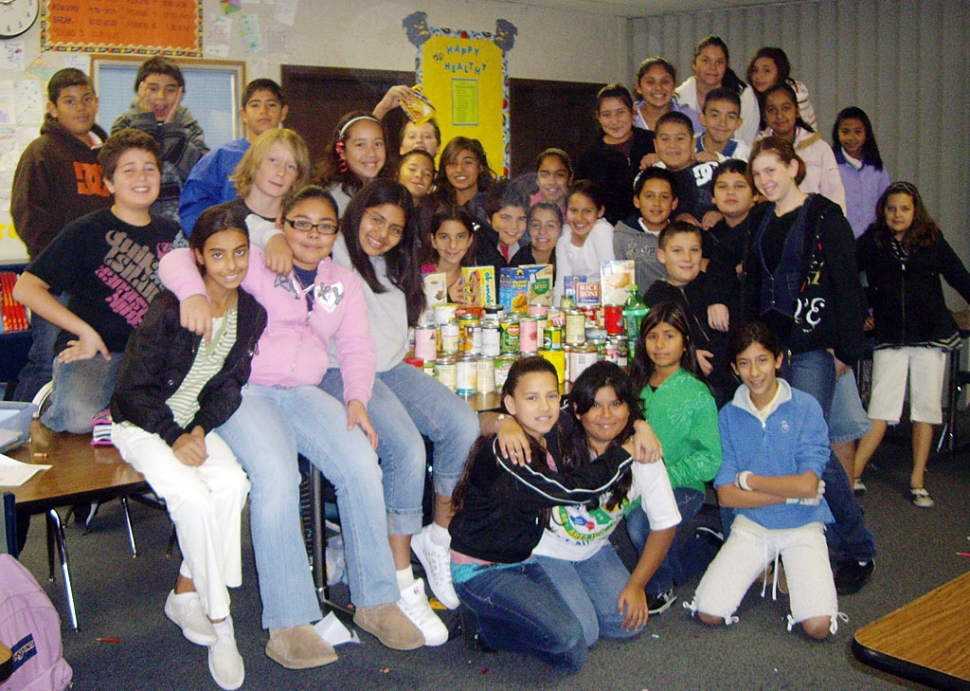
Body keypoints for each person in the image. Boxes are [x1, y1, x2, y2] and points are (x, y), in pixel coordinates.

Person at [161, 185, 425, 665]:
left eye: (325, 226)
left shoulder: (341, 281)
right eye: (301, 222)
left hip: (305, 391)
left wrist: (357, 401)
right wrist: (192, 295)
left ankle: (376, 600)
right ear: (283, 224)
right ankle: (288, 622)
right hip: (245, 390)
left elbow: (356, 348)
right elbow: (180, 260)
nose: (313, 234)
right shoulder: (259, 260)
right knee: (277, 478)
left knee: (363, 465)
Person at [261, 180, 479, 644]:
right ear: (356, 214)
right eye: (375, 219)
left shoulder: (396, 264)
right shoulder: (333, 247)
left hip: (390, 368)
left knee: (463, 423)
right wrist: (275, 238)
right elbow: (256, 226)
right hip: (340, 372)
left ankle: (435, 538)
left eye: (395, 228)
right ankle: (400, 580)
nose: (382, 233)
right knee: (403, 447)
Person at [111, 205, 266, 690]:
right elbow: (131, 391)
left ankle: (184, 591)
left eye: (240, 252)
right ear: (197, 257)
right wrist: (173, 434)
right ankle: (222, 624)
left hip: (189, 425)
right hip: (141, 423)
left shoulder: (251, 314)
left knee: (233, 485)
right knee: (193, 498)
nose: (231, 265)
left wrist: (198, 429)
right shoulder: (170, 308)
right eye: (218, 255)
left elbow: (229, 387)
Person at [448, 356, 646, 672]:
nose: (545, 406)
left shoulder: (551, 427)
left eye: (551, 396)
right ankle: (484, 628)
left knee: (582, 633)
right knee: (570, 648)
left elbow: (599, 410)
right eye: (532, 398)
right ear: (510, 403)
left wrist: (639, 424)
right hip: (484, 571)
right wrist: (625, 453)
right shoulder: (507, 452)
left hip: (526, 559)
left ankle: (509, 615)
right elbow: (570, 492)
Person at [742, 136, 876, 596]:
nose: (764, 181)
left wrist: (845, 349)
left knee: (810, 446)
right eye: (757, 175)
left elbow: (846, 284)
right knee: (792, 445)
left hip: (816, 345)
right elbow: (751, 280)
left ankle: (857, 546)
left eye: (771, 171)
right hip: (772, 348)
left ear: (794, 167)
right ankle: (808, 535)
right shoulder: (761, 218)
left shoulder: (824, 216)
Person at [500, 361, 681, 647]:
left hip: (594, 548)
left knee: (626, 626)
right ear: (577, 410)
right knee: (583, 633)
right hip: (542, 550)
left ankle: (565, 598)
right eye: (595, 406)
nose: (607, 415)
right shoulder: (554, 435)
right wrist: (504, 422)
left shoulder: (641, 450)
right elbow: (483, 422)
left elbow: (665, 524)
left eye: (617, 404)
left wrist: (636, 585)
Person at [12, 129, 179, 434]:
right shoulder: (86, 231)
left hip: (149, 358)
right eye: (129, 170)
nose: (141, 177)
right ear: (108, 182)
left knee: (173, 419)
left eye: (149, 168)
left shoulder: (174, 234)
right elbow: (26, 288)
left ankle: (116, 411)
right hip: (94, 351)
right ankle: (58, 398)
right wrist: (84, 331)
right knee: (78, 419)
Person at [685, 321, 839, 640]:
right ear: (734, 368)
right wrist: (791, 493)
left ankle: (783, 569)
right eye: (744, 363)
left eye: (763, 360)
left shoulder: (806, 407)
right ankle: (770, 568)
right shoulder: (728, 415)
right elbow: (727, 497)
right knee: (709, 612)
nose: (755, 372)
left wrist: (750, 479)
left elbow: (809, 485)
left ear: (779, 360)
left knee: (818, 627)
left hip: (803, 524)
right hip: (752, 525)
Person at [853, 182, 970, 508]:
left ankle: (918, 479)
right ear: (883, 211)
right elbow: (847, 276)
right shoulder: (871, 242)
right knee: (880, 408)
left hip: (930, 336)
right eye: (891, 209)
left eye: (904, 208)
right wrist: (862, 310)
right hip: (890, 337)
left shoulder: (932, 240)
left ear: (915, 210)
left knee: (925, 408)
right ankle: (854, 472)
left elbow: (960, 277)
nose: (897, 215)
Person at [11, 68, 112, 402]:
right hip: (54, 286)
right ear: (53, 108)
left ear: (96, 102)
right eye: (69, 101)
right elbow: (29, 220)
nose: (80, 108)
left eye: (86, 99)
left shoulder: (106, 155)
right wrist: (62, 271)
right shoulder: (42, 152)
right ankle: (15, 439)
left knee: (84, 361)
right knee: (44, 363)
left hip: (98, 287)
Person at [626, 302, 722, 613]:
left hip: (683, 486)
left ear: (685, 343)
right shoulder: (633, 385)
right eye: (653, 336)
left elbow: (710, 460)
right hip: (634, 483)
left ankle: (661, 584)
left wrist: (666, 476)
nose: (660, 345)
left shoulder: (696, 394)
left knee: (644, 525)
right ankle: (705, 547)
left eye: (669, 336)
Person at [179, 78, 289, 235]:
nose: (263, 111)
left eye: (271, 105)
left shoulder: (295, 159)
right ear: (243, 114)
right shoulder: (221, 156)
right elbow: (193, 206)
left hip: (280, 249)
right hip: (229, 249)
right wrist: (210, 241)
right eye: (255, 105)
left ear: (283, 112)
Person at [644, 224, 735, 406]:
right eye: (677, 251)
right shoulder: (655, 297)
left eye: (694, 250)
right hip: (684, 386)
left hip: (731, 383)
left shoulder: (718, 288)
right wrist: (688, 357)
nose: (687, 258)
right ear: (662, 256)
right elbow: (653, 346)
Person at [110, 56, 209, 224]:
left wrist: (171, 129)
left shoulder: (189, 126)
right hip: (134, 221)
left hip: (180, 224)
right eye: (153, 89)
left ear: (180, 93)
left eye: (170, 90)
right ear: (140, 90)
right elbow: (135, 158)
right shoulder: (124, 125)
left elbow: (196, 171)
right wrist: (146, 120)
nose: (161, 98)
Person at [758, 83, 846, 214]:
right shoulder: (757, 150)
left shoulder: (819, 148)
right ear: (764, 116)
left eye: (786, 108)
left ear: (797, 111)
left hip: (814, 223)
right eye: (772, 110)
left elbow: (835, 194)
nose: (779, 116)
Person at [575, 83, 656, 225]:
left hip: (655, 227)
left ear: (633, 111)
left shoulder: (653, 142)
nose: (614, 121)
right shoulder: (589, 157)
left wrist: (662, 159)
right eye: (606, 115)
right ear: (598, 117)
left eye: (620, 112)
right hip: (610, 234)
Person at [675, 36, 760, 146]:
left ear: (726, 65)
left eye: (719, 62)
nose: (713, 67)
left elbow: (749, 141)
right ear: (694, 63)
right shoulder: (678, 98)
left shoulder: (743, 95)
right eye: (706, 60)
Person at [312, 111, 388, 215]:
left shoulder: (383, 187)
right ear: (342, 151)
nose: (371, 153)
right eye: (360, 145)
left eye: (378, 144)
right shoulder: (332, 198)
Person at [613, 167, 677, 293]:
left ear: (674, 203)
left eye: (664, 197)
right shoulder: (621, 236)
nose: (656, 203)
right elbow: (617, 287)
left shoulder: (680, 237)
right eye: (649, 196)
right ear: (637, 201)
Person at [652, 111, 719, 228]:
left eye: (680, 139)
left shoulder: (713, 171)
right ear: (656, 145)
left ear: (693, 143)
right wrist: (676, 219)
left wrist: (722, 213)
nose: (672, 145)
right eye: (665, 139)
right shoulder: (653, 180)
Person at [831, 107, 891, 238]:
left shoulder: (877, 167)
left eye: (858, 132)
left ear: (866, 134)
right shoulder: (831, 165)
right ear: (837, 133)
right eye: (845, 132)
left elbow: (886, 201)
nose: (851, 138)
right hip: (840, 237)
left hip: (872, 239)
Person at [555, 180, 614, 299]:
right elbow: (562, 283)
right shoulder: (564, 236)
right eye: (573, 210)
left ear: (600, 211)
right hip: (576, 308)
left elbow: (611, 279)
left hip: (604, 305)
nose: (579, 218)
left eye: (587, 211)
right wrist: (558, 313)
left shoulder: (602, 230)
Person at [746, 46, 817, 131]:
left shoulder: (797, 94)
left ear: (780, 72)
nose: (758, 76)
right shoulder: (751, 94)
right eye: (755, 70)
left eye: (766, 71)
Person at [420, 204, 477, 305]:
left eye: (461, 237)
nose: (453, 245)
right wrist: (447, 298)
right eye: (444, 237)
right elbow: (414, 315)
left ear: (470, 240)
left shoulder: (475, 278)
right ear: (433, 240)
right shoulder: (419, 275)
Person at [471, 179, 530, 270]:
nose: (514, 226)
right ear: (489, 218)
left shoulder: (526, 249)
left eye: (521, 219)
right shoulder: (474, 249)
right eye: (506, 218)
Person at [632, 57, 700, 133]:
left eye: (665, 81)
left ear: (674, 86)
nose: (658, 87)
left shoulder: (691, 117)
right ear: (638, 87)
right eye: (650, 82)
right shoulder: (629, 118)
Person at [430, 136, 495, 211]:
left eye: (468, 162)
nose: (459, 169)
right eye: (452, 163)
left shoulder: (495, 206)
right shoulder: (434, 208)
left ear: (480, 167)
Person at [695, 87, 750, 162]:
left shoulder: (743, 153)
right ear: (702, 119)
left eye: (730, 117)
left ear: (738, 123)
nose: (722, 123)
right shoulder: (689, 147)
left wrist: (719, 159)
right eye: (715, 115)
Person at [509, 202, 562, 271]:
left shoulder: (566, 260)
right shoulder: (518, 258)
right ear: (528, 228)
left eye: (550, 226)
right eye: (536, 225)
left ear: (560, 230)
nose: (542, 231)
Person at [531, 148, 573, 213]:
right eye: (545, 175)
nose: (552, 182)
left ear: (570, 179)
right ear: (537, 179)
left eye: (559, 175)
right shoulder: (524, 209)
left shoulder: (578, 213)